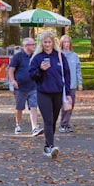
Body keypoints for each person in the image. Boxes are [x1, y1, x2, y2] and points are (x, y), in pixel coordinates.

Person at [29, 30, 71, 159]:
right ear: (41, 43)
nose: (47, 44)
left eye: (49, 42)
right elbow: (32, 75)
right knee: (47, 119)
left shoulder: (59, 56)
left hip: (57, 92)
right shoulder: (37, 58)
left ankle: (47, 146)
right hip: (43, 93)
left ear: (53, 43)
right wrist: (41, 70)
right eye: (45, 42)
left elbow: (66, 74)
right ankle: (51, 146)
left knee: (53, 121)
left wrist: (68, 93)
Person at [7, 38, 41, 136]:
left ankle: (34, 127)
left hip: (33, 86)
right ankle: (18, 125)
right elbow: (11, 70)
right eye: (32, 44)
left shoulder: (35, 57)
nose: (34, 46)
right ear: (26, 46)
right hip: (20, 87)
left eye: (34, 44)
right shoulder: (18, 56)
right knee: (19, 107)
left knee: (33, 106)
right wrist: (13, 81)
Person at [58, 34, 83, 133]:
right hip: (62, 84)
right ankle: (63, 123)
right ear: (61, 43)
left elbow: (78, 69)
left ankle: (66, 123)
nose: (66, 44)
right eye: (64, 42)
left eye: (68, 42)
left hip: (72, 84)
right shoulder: (59, 55)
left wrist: (80, 82)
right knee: (64, 105)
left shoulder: (74, 56)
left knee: (71, 104)